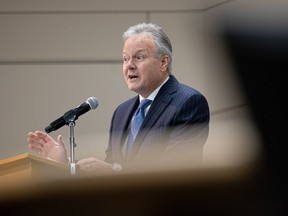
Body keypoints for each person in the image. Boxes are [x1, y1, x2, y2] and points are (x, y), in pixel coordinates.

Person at [27, 22, 210, 173]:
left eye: (139, 57)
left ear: (163, 62)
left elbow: (179, 168)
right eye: (125, 59)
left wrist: (116, 169)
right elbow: (106, 174)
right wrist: (65, 164)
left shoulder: (188, 101)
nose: (129, 66)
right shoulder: (121, 112)